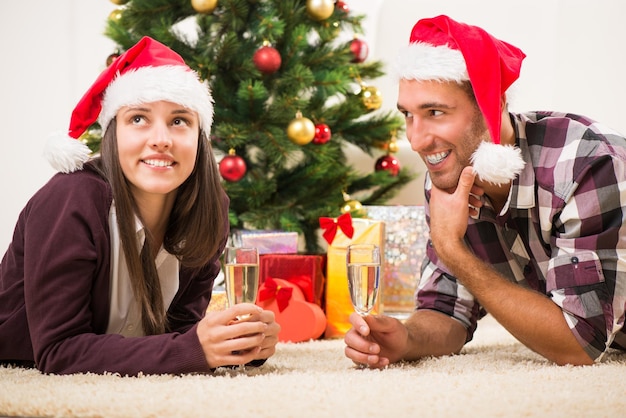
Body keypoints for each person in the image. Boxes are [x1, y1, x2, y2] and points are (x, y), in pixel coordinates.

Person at [344, 15, 626, 367]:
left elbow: (581, 342)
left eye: (434, 112)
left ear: (493, 103)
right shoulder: (452, 173)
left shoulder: (587, 163)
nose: (416, 140)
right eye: (408, 115)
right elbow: (445, 310)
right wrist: (406, 339)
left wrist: (453, 248)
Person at [0, 36, 279, 375]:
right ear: (112, 135)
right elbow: (59, 351)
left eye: (179, 121)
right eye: (138, 119)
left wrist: (236, 344)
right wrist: (193, 348)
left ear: (199, 138)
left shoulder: (209, 209)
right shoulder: (70, 199)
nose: (161, 139)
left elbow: (178, 331)